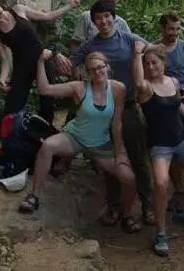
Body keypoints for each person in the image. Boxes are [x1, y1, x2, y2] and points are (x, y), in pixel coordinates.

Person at [17, 50, 143, 233]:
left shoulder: (118, 88)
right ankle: (34, 196)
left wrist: (119, 153)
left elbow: (116, 122)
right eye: (93, 70)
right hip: (74, 137)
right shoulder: (80, 87)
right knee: (48, 146)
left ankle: (127, 215)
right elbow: (45, 89)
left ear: (107, 67)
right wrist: (40, 62)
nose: (98, 72)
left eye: (101, 67)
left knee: (129, 178)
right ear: (87, 72)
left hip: (100, 143)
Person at [62, 0, 154, 227]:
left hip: (129, 107)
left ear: (114, 17)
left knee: (138, 158)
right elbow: (71, 63)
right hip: (103, 112)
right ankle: (115, 207)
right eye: (98, 18)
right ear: (93, 22)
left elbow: (155, 53)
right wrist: (59, 59)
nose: (103, 21)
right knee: (111, 160)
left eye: (107, 16)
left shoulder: (130, 40)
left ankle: (147, 205)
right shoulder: (89, 46)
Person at [132, 43, 184, 257]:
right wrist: (138, 53)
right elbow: (137, 81)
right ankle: (161, 233)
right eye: (147, 64)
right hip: (160, 145)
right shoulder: (146, 88)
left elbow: (177, 104)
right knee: (161, 184)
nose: (151, 67)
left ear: (164, 62)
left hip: (182, 139)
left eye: (154, 62)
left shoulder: (173, 81)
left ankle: (181, 207)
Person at [0, 0, 80, 124]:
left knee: (47, 102)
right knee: (13, 104)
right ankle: (10, 136)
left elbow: (47, 16)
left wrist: (70, 5)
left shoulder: (18, 9)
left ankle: (44, 133)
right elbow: (5, 60)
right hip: (22, 67)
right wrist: (2, 78)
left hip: (42, 61)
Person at [154, 11, 184, 199]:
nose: (174, 32)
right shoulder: (155, 49)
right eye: (171, 29)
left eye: (177, 29)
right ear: (163, 28)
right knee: (171, 150)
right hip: (165, 106)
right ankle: (179, 189)